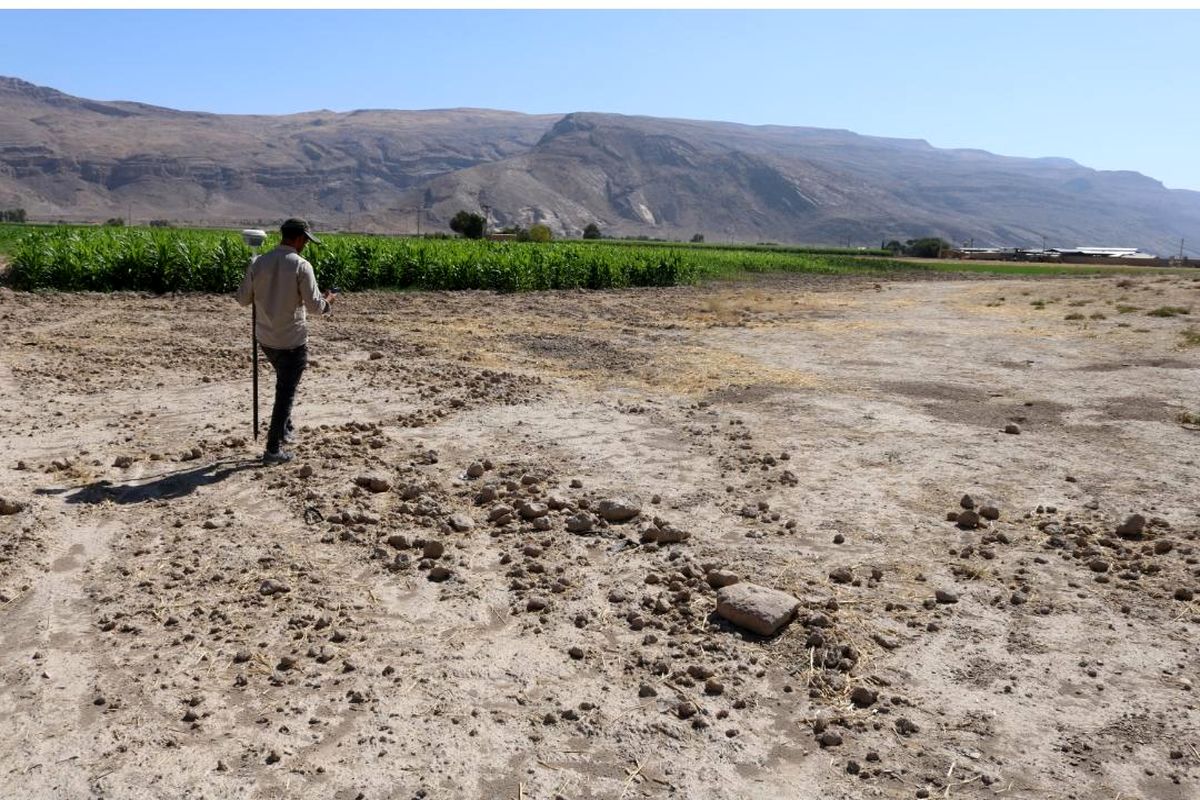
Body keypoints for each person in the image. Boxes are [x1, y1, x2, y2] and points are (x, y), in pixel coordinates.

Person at [236, 218, 336, 463]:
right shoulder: (302, 266)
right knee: (285, 394)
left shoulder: (259, 262)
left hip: (266, 339)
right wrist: (328, 302)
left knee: (284, 385)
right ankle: (273, 450)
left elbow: (242, 299)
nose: (306, 246)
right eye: (306, 241)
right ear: (300, 238)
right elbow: (315, 307)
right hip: (292, 340)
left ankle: (285, 429)